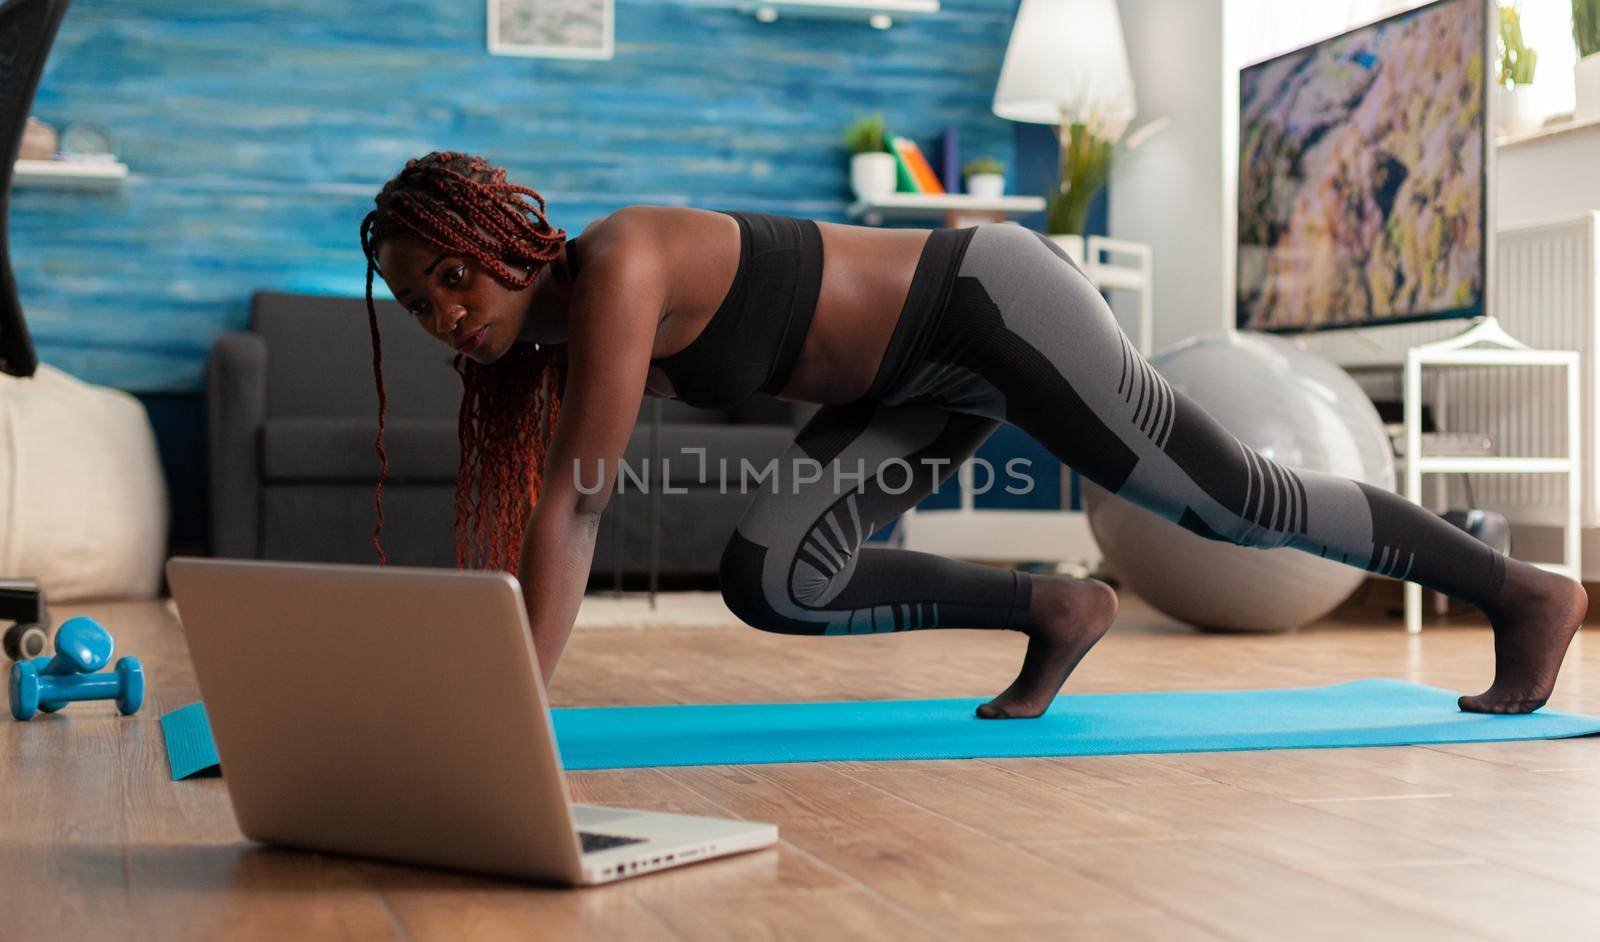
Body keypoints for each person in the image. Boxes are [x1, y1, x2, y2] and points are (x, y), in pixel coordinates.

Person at [358, 151, 1587, 719]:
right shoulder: (557, 344)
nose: (444, 315)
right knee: (771, 578)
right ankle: (1054, 610)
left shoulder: (619, 263)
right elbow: (561, 503)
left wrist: (507, 706)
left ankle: (1519, 589)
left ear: (503, 237)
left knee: (1231, 503)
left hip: (988, 303)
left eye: (451, 277)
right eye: (419, 304)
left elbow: (574, 505)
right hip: (911, 381)